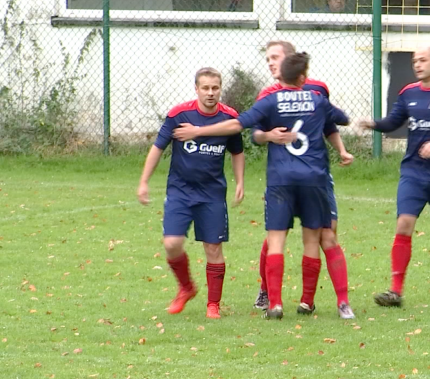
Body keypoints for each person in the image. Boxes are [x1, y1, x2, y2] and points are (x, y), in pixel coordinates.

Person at [173, 53, 351, 320]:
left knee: (276, 241)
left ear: (281, 76)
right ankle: (323, 303)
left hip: (280, 180)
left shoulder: (270, 100)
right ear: (304, 77)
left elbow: (240, 126)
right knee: (314, 239)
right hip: (314, 179)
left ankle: (276, 305)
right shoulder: (317, 99)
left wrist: (198, 131)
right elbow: (343, 119)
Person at [251, 40, 354, 319]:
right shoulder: (268, 95)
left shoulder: (317, 89)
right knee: (274, 236)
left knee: (326, 235)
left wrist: (342, 150)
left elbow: (330, 124)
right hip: (285, 177)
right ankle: (268, 292)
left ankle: (319, 301)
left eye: (276, 57)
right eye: (268, 58)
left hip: (314, 176)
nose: (271, 63)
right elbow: (257, 133)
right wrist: (269, 135)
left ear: (290, 61)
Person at [360, 46, 430, 307]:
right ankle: (395, 291)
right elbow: (393, 121)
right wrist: (373, 123)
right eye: (414, 61)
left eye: (422, 60)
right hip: (414, 171)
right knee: (404, 224)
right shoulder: (408, 93)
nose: (417, 65)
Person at [137, 67, 245, 320]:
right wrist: (144, 181)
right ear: (196, 89)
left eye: (215, 88)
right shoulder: (179, 115)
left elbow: (237, 152)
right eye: (205, 88)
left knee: (213, 247)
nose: (210, 93)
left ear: (220, 89)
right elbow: (157, 148)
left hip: (212, 194)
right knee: (172, 243)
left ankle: (213, 305)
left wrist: (240, 181)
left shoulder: (230, 118)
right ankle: (186, 287)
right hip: (180, 192)